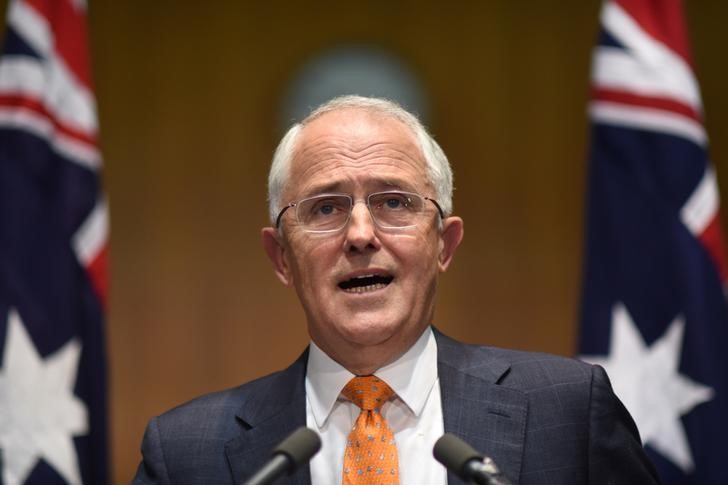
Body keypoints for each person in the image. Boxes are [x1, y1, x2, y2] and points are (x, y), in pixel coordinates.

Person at [133, 95, 659, 484]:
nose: (361, 235)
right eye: (325, 208)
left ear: (443, 245)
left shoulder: (566, 411)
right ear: (282, 258)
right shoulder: (185, 453)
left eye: (394, 203)